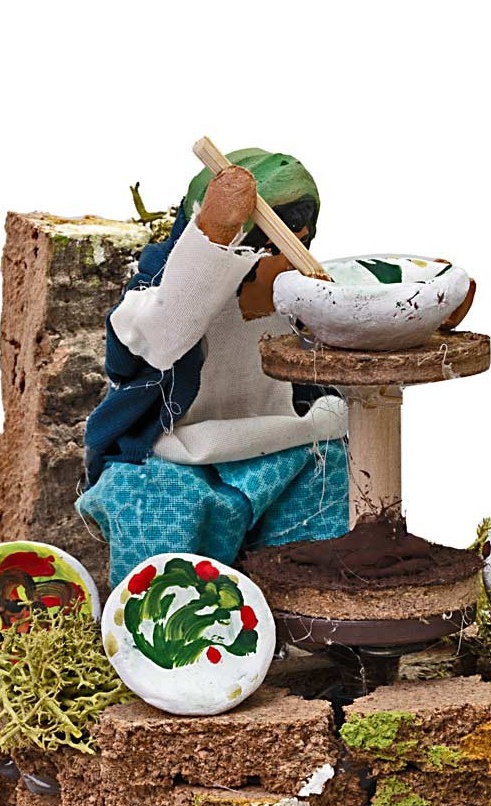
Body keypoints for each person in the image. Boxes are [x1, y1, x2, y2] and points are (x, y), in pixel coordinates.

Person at [77, 149, 349, 587]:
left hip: (283, 444)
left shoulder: (300, 296)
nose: (284, 264)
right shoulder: (162, 293)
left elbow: (349, 338)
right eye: (269, 250)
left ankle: (306, 603)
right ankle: (160, 609)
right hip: (176, 454)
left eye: (298, 246)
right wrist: (213, 239)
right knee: (149, 502)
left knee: (326, 472)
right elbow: (160, 338)